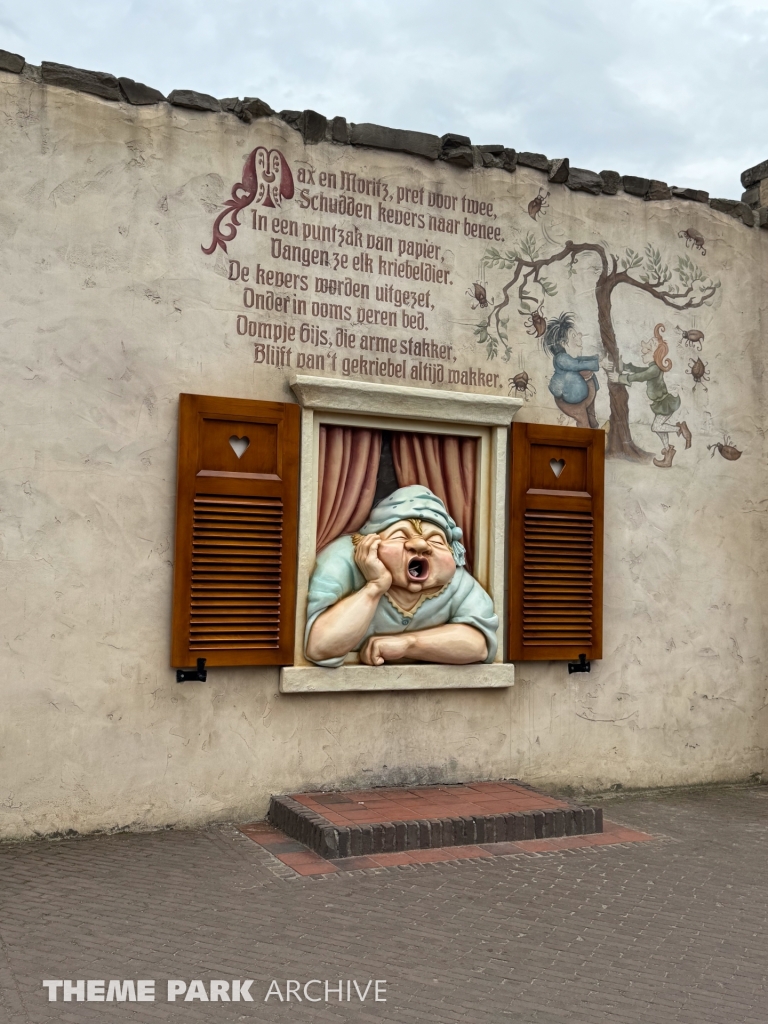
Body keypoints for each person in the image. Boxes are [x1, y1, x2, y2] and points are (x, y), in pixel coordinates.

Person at [305, 486, 498, 668]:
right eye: (400, 536)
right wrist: (374, 587)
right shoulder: (342, 561)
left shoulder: (456, 581)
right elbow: (320, 648)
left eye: (436, 540)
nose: (421, 545)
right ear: (369, 543)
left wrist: (408, 644)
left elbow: (479, 644)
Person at [606, 324, 691, 468]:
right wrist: (626, 367)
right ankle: (667, 455)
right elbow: (640, 370)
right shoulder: (653, 367)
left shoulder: (654, 370)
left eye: (650, 346)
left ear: (656, 353)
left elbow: (640, 376)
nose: (645, 347)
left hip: (665, 404)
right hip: (661, 404)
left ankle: (680, 429)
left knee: (656, 427)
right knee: (659, 428)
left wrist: (620, 378)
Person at [544, 312, 600, 428]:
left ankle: (591, 416)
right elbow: (576, 364)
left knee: (589, 374)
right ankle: (587, 430)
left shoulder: (569, 358)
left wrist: (597, 360)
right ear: (564, 344)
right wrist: (596, 363)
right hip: (570, 401)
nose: (579, 336)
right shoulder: (561, 358)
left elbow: (581, 360)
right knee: (583, 422)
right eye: (573, 336)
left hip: (581, 396)